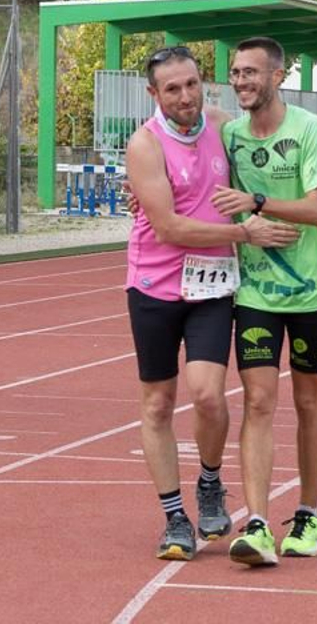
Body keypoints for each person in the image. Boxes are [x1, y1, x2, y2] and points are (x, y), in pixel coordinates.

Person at [124, 45, 288, 562]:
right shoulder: (145, 147)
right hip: (153, 285)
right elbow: (169, 228)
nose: (185, 96)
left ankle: (211, 483)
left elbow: (275, 141)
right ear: (155, 95)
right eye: (172, 89)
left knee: (210, 396)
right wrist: (241, 231)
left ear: (203, 84)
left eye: (192, 84)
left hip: (212, 286)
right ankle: (174, 517)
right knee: (156, 403)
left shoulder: (221, 125)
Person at [209, 36, 317, 568]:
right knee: (258, 401)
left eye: (252, 73)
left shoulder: (307, 129)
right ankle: (259, 523)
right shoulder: (231, 135)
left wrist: (258, 202)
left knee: (309, 402)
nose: (242, 81)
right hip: (255, 291)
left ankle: (309, 514)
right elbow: (191, 166)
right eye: (237, 73)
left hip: (313, 289)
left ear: (278, 76)